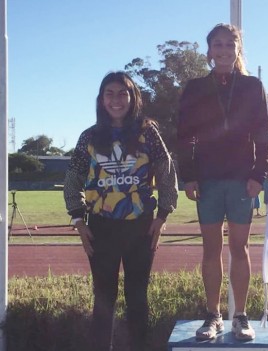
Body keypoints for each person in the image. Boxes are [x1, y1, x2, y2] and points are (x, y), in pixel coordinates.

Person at [63, 71, 178, 351]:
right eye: (109, 94)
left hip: (140, 226)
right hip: (101, 227)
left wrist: (162, 216)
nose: (116, 100)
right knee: (103, 298)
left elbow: (166, 172)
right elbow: (72, 179)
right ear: (101, 100)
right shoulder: (89, 137)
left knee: (137, 297)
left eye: (122, 93)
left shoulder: (147, 132)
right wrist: (79, 220)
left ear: (133, 97)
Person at [177, 23, 268, 341]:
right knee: (211, 248)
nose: (223, 50)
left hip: (242, 179)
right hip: (208, 178)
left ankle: (240, 316)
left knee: (240, 247)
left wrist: (259, 174)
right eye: (218, 45)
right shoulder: (194, 88)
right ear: (209, 51)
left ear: (237, 50)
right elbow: (183, 136)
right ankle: (212, 315)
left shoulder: (252, 86)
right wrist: (188, 175)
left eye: (229, 45)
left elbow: (263, 135)